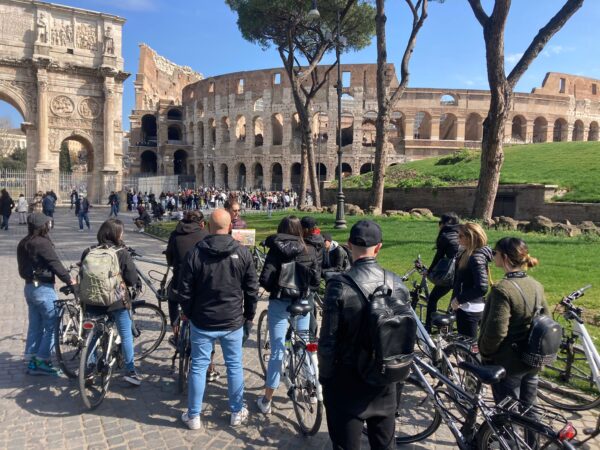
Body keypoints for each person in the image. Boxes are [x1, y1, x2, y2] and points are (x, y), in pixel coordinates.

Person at [318, 220, 410, 449]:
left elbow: (328, 340)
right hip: (384, 376)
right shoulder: (396, 282)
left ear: (349, 245)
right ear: (379, 247)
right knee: (385, 444)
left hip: (347, 380)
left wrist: (325, 379)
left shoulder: (338, 285)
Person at [177, 209, 259, 429]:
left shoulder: (196, 252)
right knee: (234, 366)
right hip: (232, 320)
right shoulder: (242, 253)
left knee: (198, 366)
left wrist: (190, 313)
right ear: (229, 227)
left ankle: (194, 416)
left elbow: (184, 290)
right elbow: (252, 289)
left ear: (208, 228)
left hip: (202, 320)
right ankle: (236, 411)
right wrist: (249, 316)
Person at [256, 216, 319, 415]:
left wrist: (275, 286)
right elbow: (316, 280)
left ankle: (267, 400)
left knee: (277, 351)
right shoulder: (310, 249)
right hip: (302, 302)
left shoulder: (276, 249)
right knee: (305, 346)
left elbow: (265, 279)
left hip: (280, 302)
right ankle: (312, 388)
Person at [479, 237, 549, 409]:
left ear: (505, 257)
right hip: (531, 358)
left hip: (508, 362)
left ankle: (506, 436)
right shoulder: (536, 285)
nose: (493, 255)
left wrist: (485, 353)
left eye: (495, 252)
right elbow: (546, 317)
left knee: (508, 412)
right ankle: (535, 436)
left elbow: (496, 331)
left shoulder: (502, 289)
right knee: (530, 408)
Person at [80, 219, 142, 386]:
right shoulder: (121, 252)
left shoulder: (89, 251)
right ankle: (130, 371)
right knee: (126, 334)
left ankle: (88, 369)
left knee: (92, 335)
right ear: (116, 234)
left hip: (92, 302)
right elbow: (131, 279)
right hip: (117, 302)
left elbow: (82, 275)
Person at [165, 210, 220, 382]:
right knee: (206, 322)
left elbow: (170, 258)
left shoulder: (175, 233)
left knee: (172, 297)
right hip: (200, 285)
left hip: (180, 283)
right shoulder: (205, 235)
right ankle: (210, 367)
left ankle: (175, 330)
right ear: (202, 223)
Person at [17, 213, 75, 375]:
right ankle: (42, 360)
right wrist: (70, 280)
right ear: (42, 226)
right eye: (47, 224)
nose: (49, 226)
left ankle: (32, 358)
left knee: (35, 325)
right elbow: (55, 263)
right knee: (53, 325)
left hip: (30, 288)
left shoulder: (24, 242)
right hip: (43, 289)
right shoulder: (42, 243)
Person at [450, 222, 493, 338]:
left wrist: (459, 299)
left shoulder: (476, 257)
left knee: (469, 350)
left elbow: (482, 287)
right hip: (464, 307)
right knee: (465, 347)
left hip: (470, 308)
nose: (457, 239)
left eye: (460, 236)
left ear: (470, 238)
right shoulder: (467, 253)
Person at [425, 212, 461, 332]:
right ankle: (449, 329)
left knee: (433, 298)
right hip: (462, 274)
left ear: (444, 224)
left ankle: (428, 326)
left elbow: (439, 256)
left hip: (450, 275)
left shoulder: (445, 236)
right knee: (454, 303)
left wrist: (429, 271)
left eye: (440, 222)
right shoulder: (461, 234)